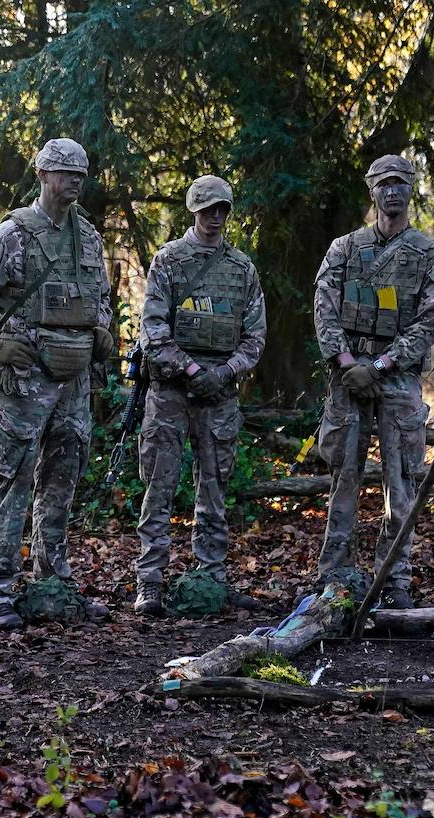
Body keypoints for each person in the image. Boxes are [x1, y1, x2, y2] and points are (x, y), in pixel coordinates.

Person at [0, 138, 113, 629]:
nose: (74, 181)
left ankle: (52, 582)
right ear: (41, 174)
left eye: (80, 173)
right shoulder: (11, 236)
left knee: (63, 477)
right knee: (12, 477)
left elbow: (100, 297)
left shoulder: (89, 237)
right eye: (64, 172)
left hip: (74, 381)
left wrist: (100, 332)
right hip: (25, 379)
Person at [311, 154, 434, 610]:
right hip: (348, 379)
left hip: (397, 380)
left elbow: (428, 322)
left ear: (411, 189)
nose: (392, 192)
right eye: (383, 184)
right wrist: (349, 361)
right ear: (371, 191)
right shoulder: (345, 249)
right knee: (343, 478)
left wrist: (381, 366)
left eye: (400, 183)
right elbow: (324, 308)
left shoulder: (428, 255)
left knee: (402, 483)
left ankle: (394, 581)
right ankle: (335, 577)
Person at [132, 175, 266, 616]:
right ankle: (150, 581)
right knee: (160, 486)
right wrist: (190, 370)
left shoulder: (242, 268)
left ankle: (212, 578)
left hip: (220, 394)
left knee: (214, 488)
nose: (215, 217)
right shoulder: (169, 261)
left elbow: (255, 336)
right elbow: (152, 329)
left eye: (222, 209)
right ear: (194, 211)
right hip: (172, 391)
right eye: (207, 209)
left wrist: (225, 371)